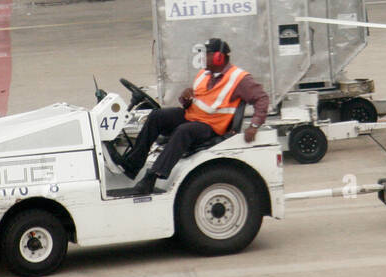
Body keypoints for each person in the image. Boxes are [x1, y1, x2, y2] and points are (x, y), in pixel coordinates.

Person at [107, 38, 268, 195]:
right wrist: (185, 98)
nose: (203, 58)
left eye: (208, 54)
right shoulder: (204, 75)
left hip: (212, 126)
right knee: (158, 116)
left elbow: (262, 98)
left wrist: (254, 126)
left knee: (184, 131)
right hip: (193, 116)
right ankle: (132, 164)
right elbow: (195, 101)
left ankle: (151, 178)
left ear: (219, 57)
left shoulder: (239, 78)